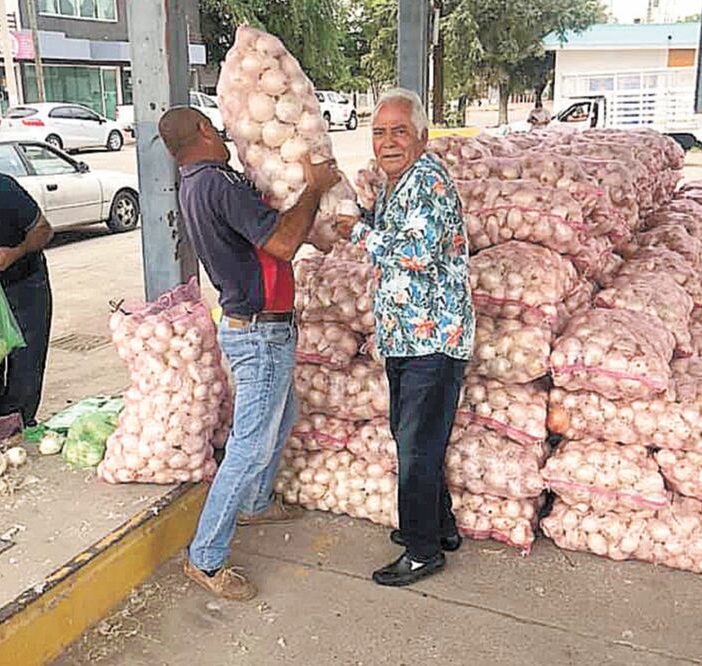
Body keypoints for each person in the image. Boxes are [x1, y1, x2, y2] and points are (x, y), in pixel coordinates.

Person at [158, 107, 340, 601]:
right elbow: (281, 241)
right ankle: (205, 557)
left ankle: (256, 502)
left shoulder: (199, 182)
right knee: (250, 446)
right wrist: (316, 187)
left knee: (282, 420)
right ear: (200, 131)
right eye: (212, 126)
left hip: (263, 328)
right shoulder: (216, 183)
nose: (220, 132)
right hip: (258, 333)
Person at [344, 89, 475, 587]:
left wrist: (357, 232)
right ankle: (438, 527)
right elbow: (394, 232)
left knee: (416, 447)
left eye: (399, 131)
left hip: (432, 339)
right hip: (405, 337)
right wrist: (359, 213)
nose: (388, 141)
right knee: (415, 437)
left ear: (422, 135)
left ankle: (422, 551)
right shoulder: (398, 183)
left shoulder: (428, 181)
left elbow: (415, 252)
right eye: (379, 132)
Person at [0, 170, 54, 427]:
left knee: (26, 366)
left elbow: (44, 230)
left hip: (23, 285)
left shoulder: (1, 187)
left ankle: (17, 426)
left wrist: (16, 252)